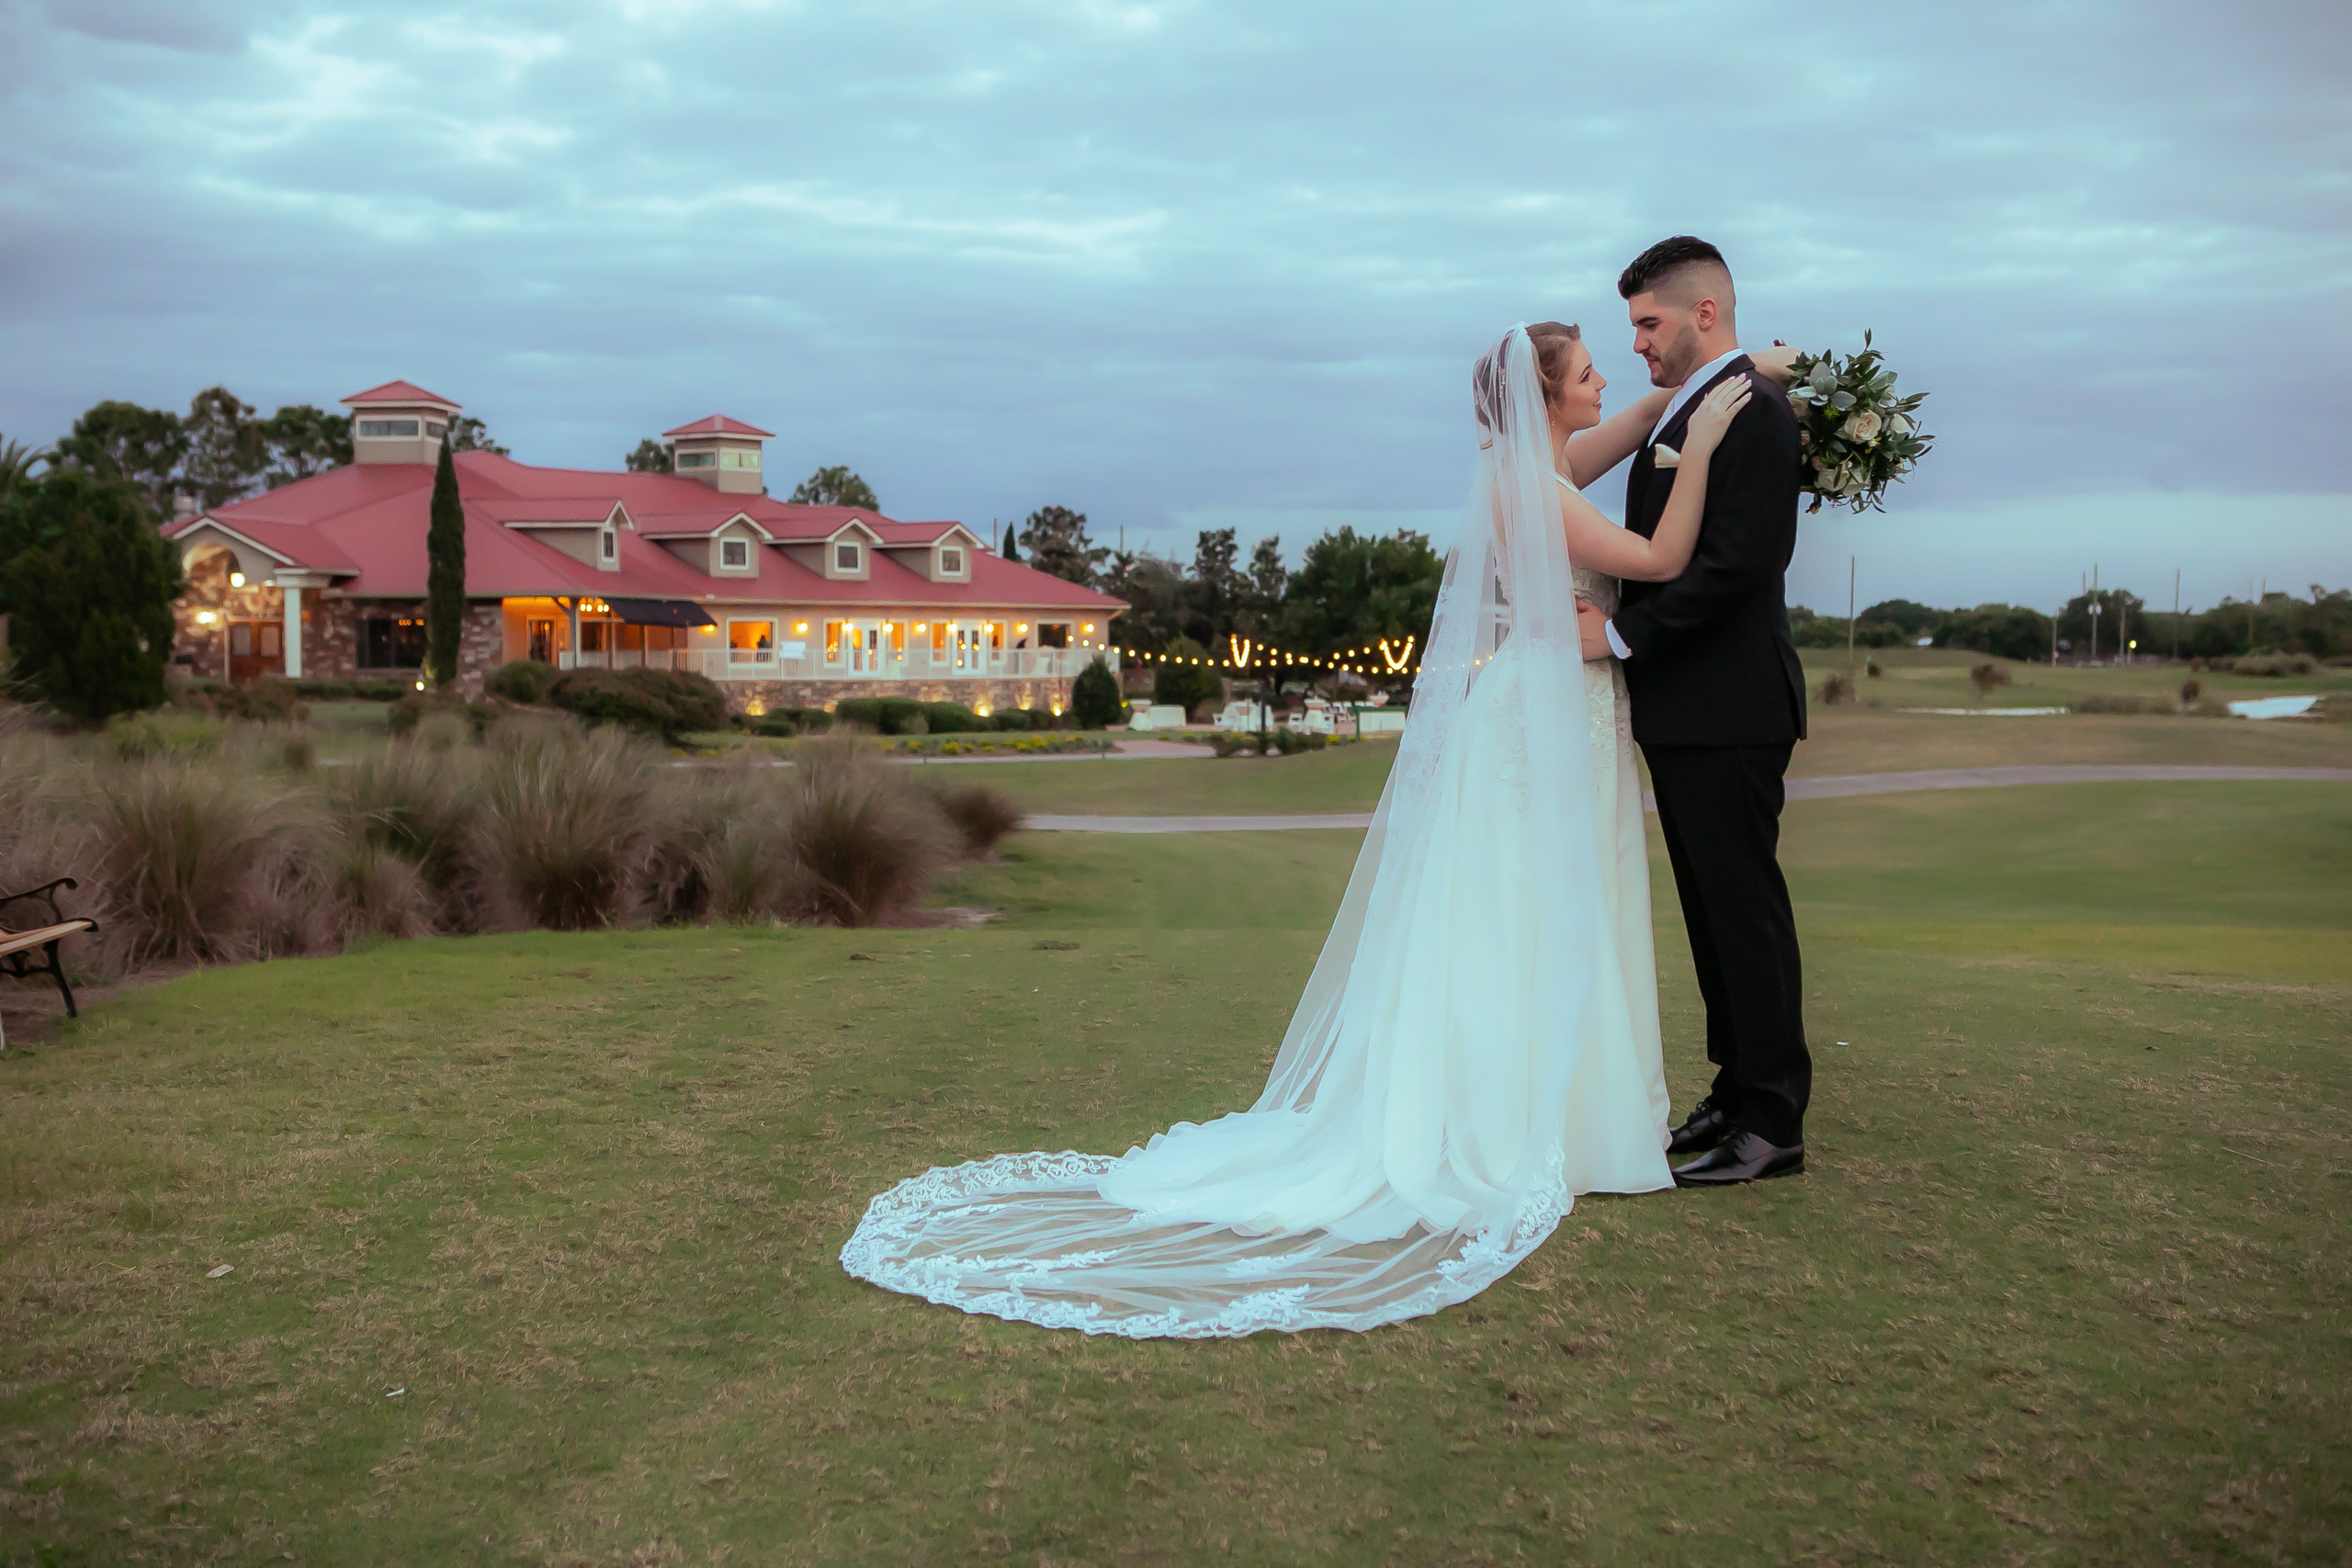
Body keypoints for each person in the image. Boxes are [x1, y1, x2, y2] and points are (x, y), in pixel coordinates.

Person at [839, 316, 1767, 1338]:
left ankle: (1566, 1112)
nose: (1607, 384)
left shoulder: (1536, 467)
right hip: (1545, 722)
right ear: (1543, 399)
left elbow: (1634, 420)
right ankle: (1536, 1121)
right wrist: (1709, 448)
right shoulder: (1536, 494)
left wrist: (1724, 379)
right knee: (1528, 906)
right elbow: (1661, 552)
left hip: (1557, 715)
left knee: (1543, 903)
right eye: (1588, 373)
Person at [1576, 236, 1812, 1187]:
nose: (1634, 342)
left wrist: (1621, 639)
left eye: (1647, 322)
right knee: (1712, 917)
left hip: (1729, 705)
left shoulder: (1749, 413)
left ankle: (1771, 1122)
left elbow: (1737, 566)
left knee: (1743, 914)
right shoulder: (1702, 402)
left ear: (1704, 314)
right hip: (1687, 711)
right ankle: (1734, 1087)